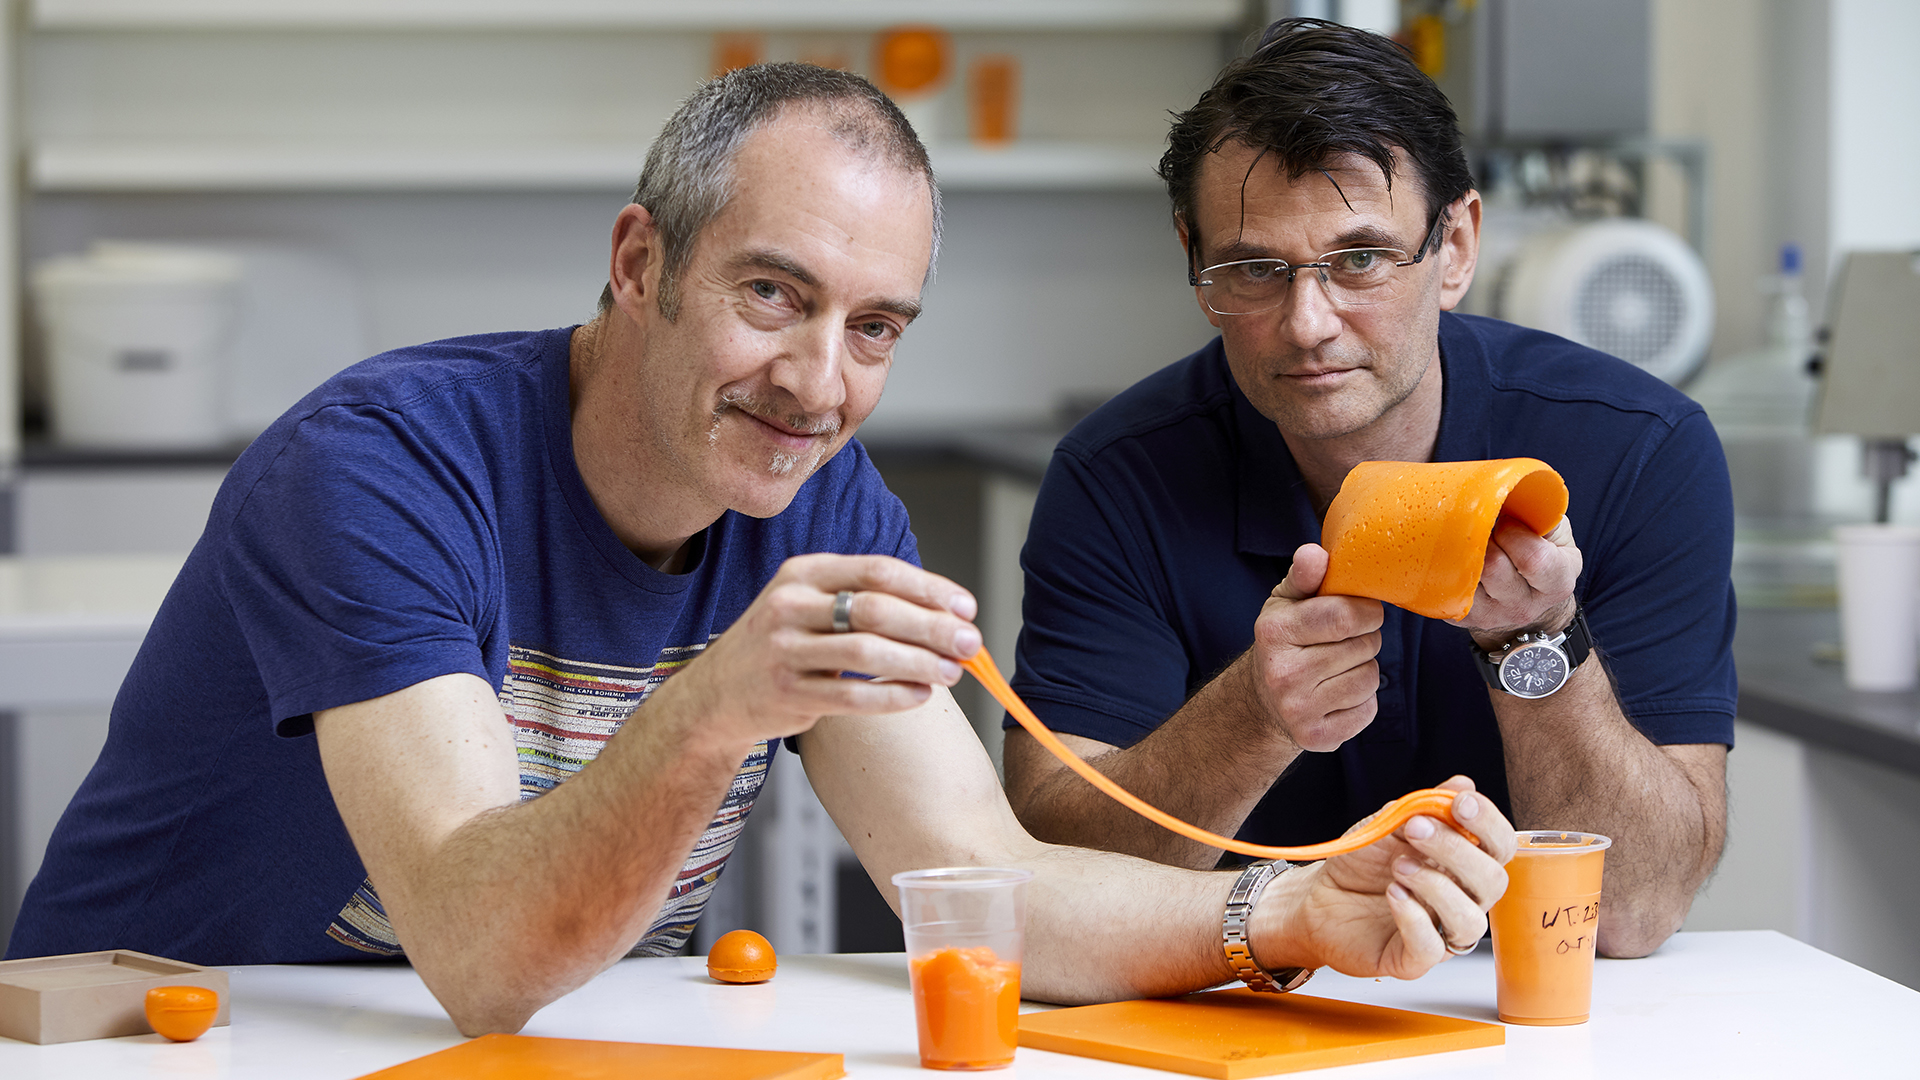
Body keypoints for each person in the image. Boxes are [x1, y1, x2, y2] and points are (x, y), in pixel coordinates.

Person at [7, 63, 1513, 1036]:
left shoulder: (825, 502)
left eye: (876, 329)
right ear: (640, 262)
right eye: (774, 295)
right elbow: (475, 950)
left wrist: (1289, 910)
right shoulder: (382, 467)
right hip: (153, 1037)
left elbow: (983, 883)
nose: (816, 385)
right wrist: (720, 701)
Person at [1001, 19, 1731, 960]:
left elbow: (1634, 910)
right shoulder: (1118, 478)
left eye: (1360, 260)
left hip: (1529, 1003)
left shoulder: (1638, 449)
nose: (1309, 324)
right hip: (1241, 989)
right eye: (1254, 268)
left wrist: (1538, 641)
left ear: (1455, 245)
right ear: (1193, 258)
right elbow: (1051, 878)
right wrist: (1253, 716)